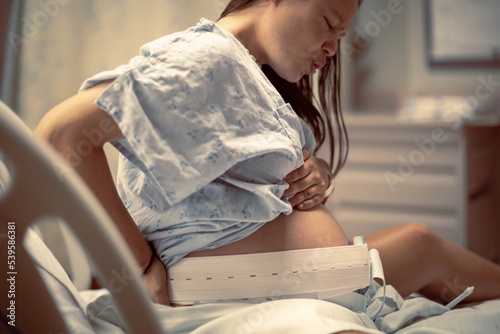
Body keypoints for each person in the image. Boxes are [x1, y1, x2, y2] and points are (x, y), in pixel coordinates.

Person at [35, 0, 500, 322]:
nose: (333, 48)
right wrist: (138, 268)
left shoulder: (247, 71)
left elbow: (219, 175)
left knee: (422, 244)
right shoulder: (208, 58)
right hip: (218, 281)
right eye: (328, 22)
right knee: (423, 248)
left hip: (281, 270)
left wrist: (310, 173)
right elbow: (60, 135)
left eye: (342, 34)